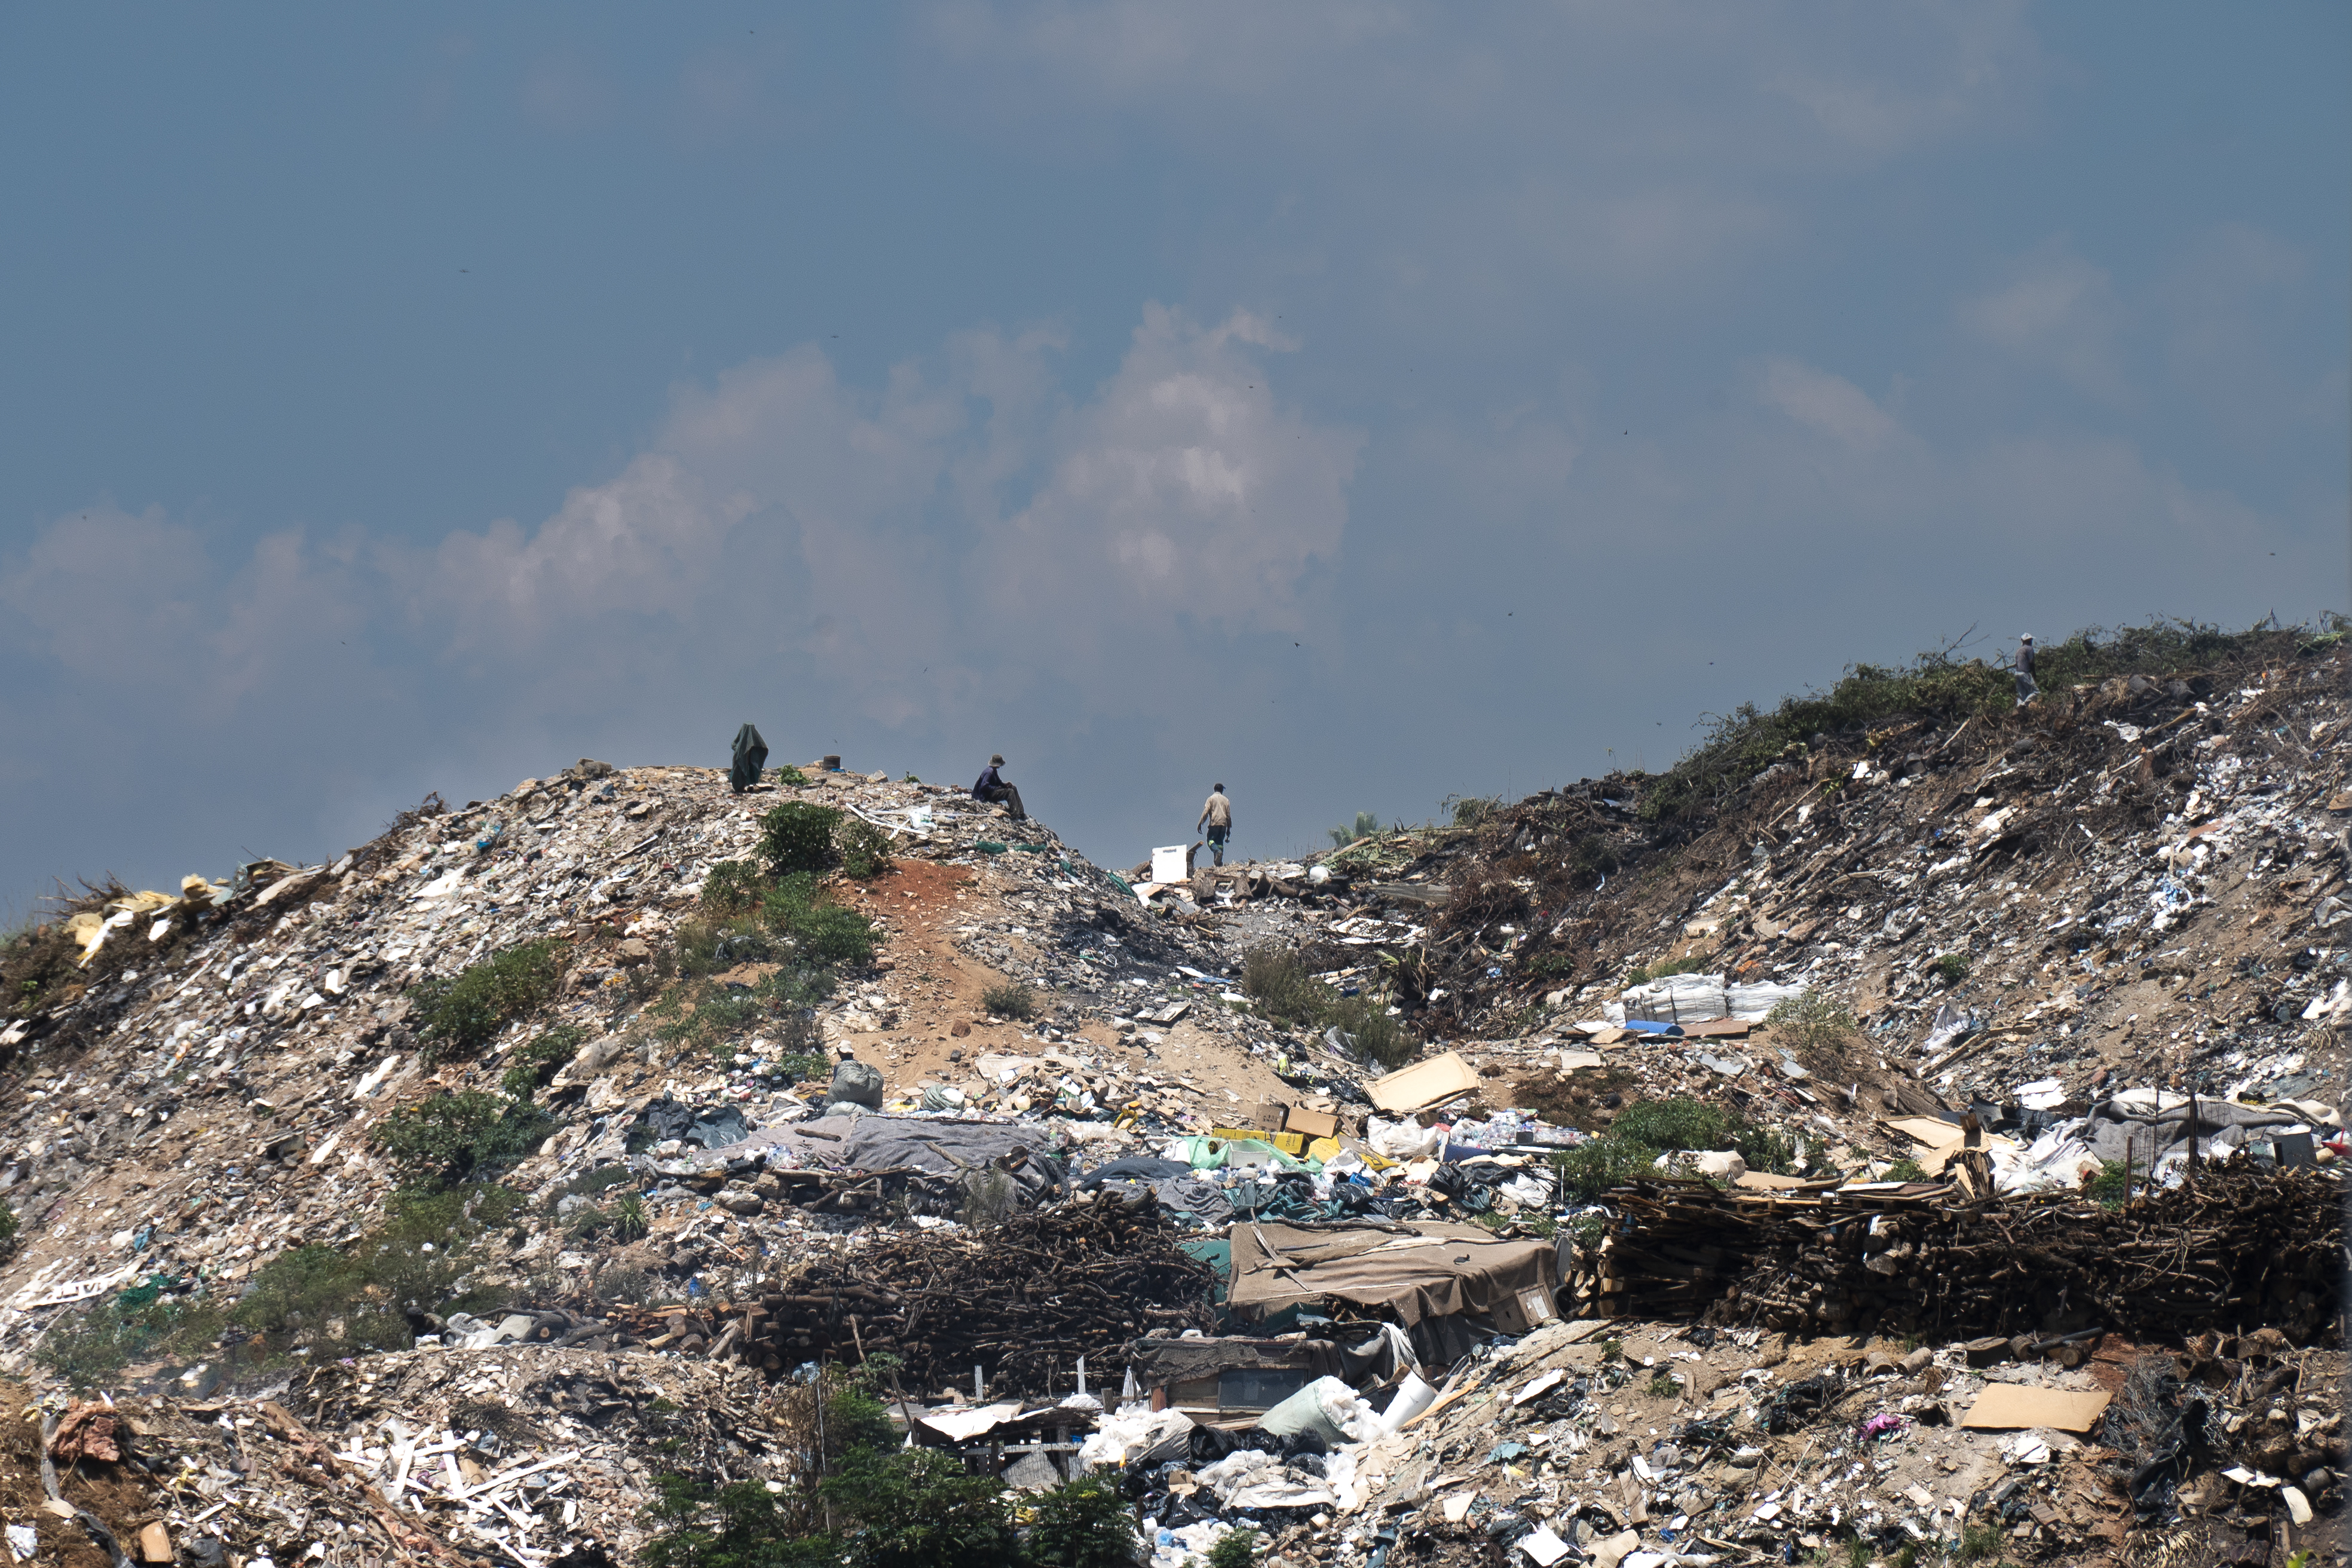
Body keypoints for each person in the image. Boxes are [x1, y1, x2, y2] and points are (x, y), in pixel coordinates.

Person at [972, 754, 1027, 820]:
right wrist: (997, 788)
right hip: (985, 796)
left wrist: (1005, 785)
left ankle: (1021, 812)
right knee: (1009, 792)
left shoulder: (994, 771)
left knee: (1013, 788)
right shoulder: (989, 772)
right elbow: (984, 786)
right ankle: (1015, 814)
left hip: (991, 792)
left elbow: (998, 782)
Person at [1196, 782, 1233, 866]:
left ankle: (1217, 852)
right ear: (1222, 790)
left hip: (1214, 823)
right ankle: (1218, 863)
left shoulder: (1211, 799)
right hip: (1224, 825)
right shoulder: (1226, 800)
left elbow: (1206, 811)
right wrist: (1228, 829)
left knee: (1210, 841)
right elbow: (1228, 816)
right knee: (1220, 843)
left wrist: (1201, 822)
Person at [729, 723, 768, 794]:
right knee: (738, 772)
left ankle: (745, 786)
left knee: (747, 772)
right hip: (741, 759)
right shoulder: (742, 736)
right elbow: (734, 744)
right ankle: (739, 787)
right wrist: (739, 750)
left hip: (749, 761)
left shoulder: (754, 737)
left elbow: (761, 746)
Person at [2014, 635, 2038, 708]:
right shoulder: (2029, 649)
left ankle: (2019, 707)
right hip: (2024, 673)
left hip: (2017, 673)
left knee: (2022, 694)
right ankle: (2024, 705)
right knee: (2036, 692)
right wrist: (2034, 674)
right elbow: (2031, 662)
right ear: (2028, 641)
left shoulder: (2019, 651)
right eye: (2030, 640)